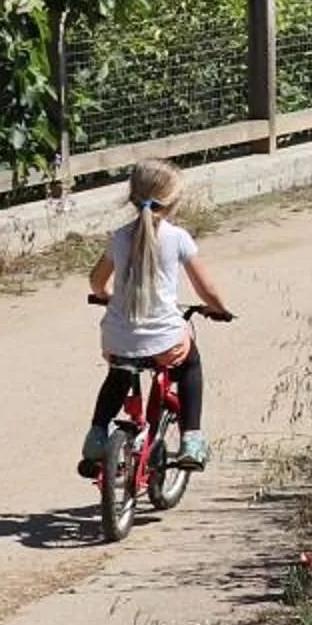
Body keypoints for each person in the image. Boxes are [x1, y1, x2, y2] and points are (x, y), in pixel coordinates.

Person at [80, 158, 234, 479]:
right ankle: (192, 439)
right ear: (174, 202)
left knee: (119, 375)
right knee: (190, 362)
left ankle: (96, 437)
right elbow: (206, 289)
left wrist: (109, 296)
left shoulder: (120, 237)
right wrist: (220, 308)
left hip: (117, 339)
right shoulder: (177, 238)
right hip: (164, 341)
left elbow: (96, 280)